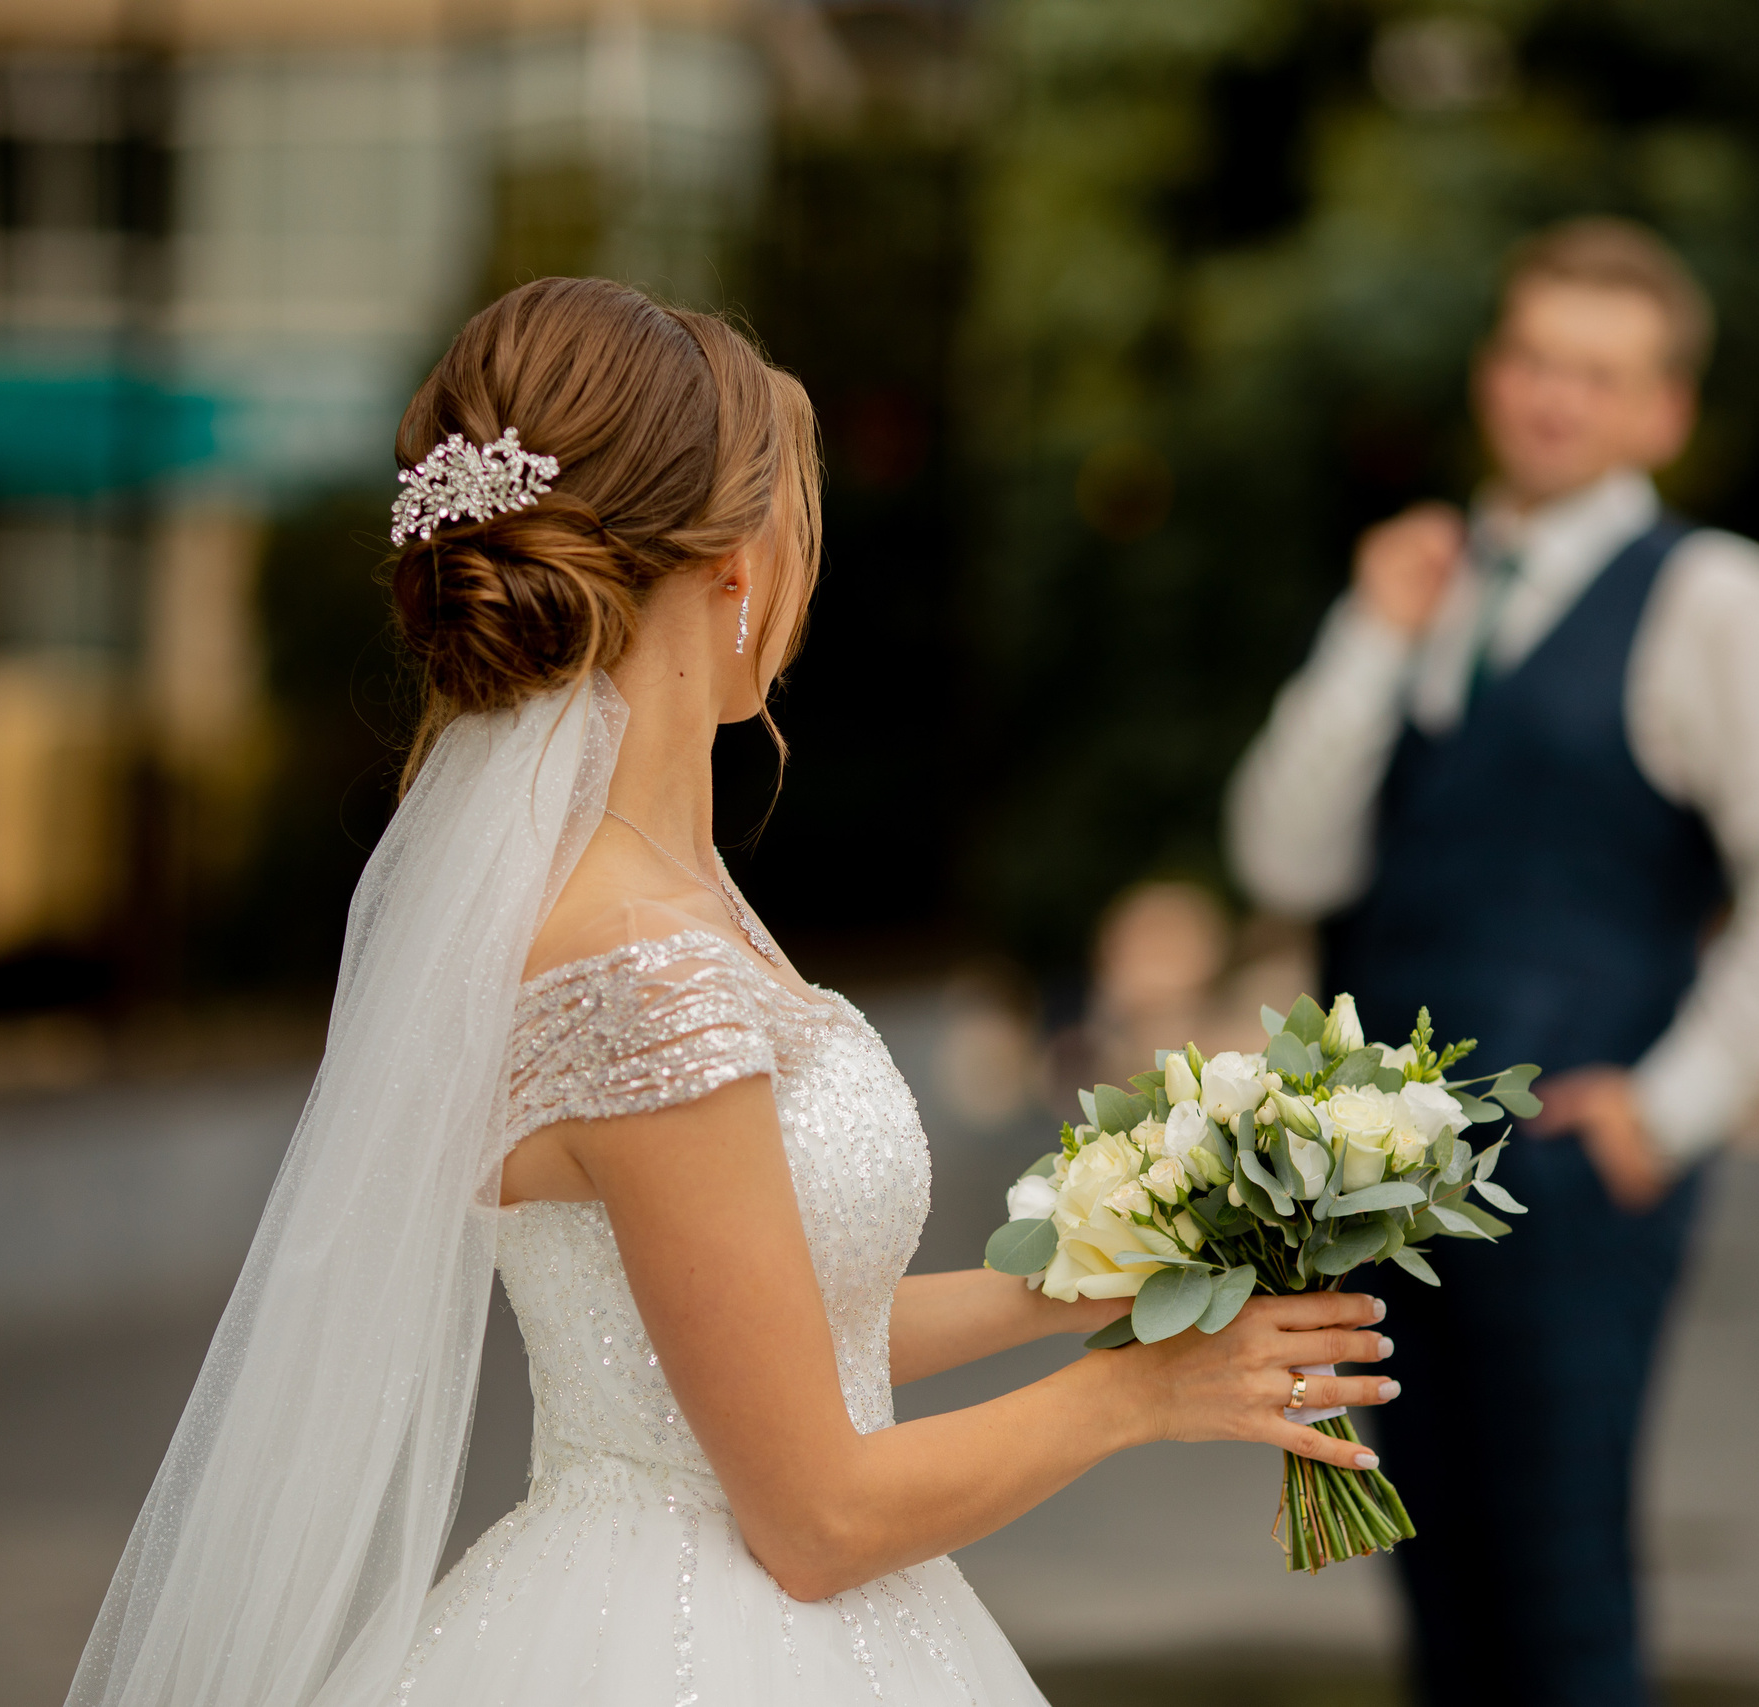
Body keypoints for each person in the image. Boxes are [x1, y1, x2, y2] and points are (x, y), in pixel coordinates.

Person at [68, 276, 1406, 1707]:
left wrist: (1093, 1286)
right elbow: (817, 1519)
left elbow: (766, 1336)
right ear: (737, 565)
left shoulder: (665, 895)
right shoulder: (638, 966)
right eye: (798, 519)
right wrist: (1141, 1399)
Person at [1225, 219, 1759, 1707]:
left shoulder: (1722, 601)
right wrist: (1369, 638)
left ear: (1666, 412)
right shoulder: (1419, 585)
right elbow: (1285, 860)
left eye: (1599, 374)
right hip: (1370, 1187)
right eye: (1532, 358)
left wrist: (1676, 1106)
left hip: (1576, 1176)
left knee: (1561, 1590)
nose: (1553, 398)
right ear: (1491, 374)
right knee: (1441, 1590)